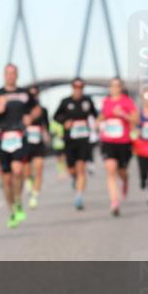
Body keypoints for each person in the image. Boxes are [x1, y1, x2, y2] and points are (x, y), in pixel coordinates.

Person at [0, 63, 40, 228]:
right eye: (8, 73)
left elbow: (37, 110)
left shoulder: (24, 93)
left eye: (13, 73)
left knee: (18, 170)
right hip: (3, 136)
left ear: (17, 75)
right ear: (4, 75)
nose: (10, 76)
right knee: (6, 180)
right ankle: (12, 209)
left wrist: (30, 117)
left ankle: (18, 201)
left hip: (19, 135)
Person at [53, 77, 98, 210]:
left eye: (81, 87)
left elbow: (95, 116)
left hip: (84, 139)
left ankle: (79, 196)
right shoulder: (65, 102)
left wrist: (96, 125)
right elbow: (56, 116)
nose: (78, 89)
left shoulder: (87, 101)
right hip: (69, 140)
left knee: (81, 167)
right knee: (72, 169)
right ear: (72, 88)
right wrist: (65, 122)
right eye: (76, 87)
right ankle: (74, 178)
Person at [99, 77, 138, 216]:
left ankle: (125, 180)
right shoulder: (106, 102)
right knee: (110, 168)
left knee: (122, 171)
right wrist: (97, 123)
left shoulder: (127, 102)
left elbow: (135, 119)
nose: (115, 88)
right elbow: (102, 116)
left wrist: (123, 114)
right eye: (112, 86)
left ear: (121, 87)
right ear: (110, 88)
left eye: (117, 86)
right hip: (108, 141)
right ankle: (114, 202)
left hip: (124, 142)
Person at [24, 85, 51, 209]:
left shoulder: (43, 110)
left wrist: (46, 135)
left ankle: (34, 196)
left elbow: (46, 126)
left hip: (38, 142)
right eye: (32, 95)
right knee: (27, 171)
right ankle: (29, 183)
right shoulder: (23, 110)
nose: (34, 97)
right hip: (26, 142)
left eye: (36, 95)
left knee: (39, 169)